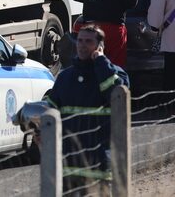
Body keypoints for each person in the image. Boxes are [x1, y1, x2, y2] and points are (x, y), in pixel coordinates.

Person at [44, 24, 130, 196]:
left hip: (99, 166)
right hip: (69, 166)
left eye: (88, 41)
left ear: (100, 47)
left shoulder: (117, 75)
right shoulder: (65, 77)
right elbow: (50, 110)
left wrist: (100, 61)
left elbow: (116, 94)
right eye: (80, 40)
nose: (82, 45)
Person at [147, 0, 175, 92]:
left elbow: (155, 18)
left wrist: (154, 28)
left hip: (172, 38)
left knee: (171, 73)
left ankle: (169, 104)